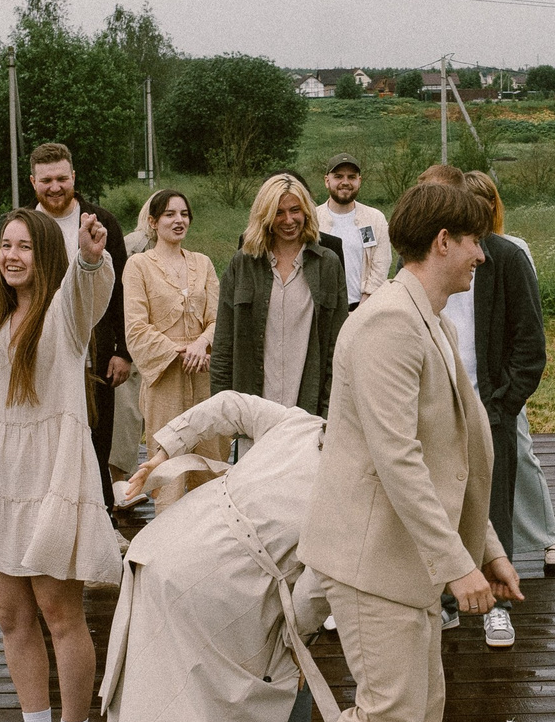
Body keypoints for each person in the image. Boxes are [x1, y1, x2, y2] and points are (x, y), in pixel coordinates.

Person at [231, 181, 522, 722]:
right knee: (391, 711)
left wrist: (484, 547)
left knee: (421, 712)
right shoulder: (388, 323)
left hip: (407, 556)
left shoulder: (432, 323)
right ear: (442, 242)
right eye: (473, 241)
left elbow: (448, 453)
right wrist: (454, 565)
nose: (482, 256)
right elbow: (398, 460)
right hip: (369, 557)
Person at [99, 391, 330, 722]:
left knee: (209, 688)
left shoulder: (300, 424)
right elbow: (318, 588)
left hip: (167, 550)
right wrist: (296, 638)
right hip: (226, 587)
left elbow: (226, 403)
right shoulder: (352, 487)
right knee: (286, 683)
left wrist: (164, 447)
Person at [0, 207, 121, 722]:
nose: (12, 256)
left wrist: (91, 254)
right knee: (9, 614)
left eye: (24, 246)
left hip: (49, 480)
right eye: (4, 246)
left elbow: (88, 286)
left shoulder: (64, 317)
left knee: (59, 612)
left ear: (45, 253)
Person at [451, 169, 546, 649]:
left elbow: (531, 344)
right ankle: (447, 601)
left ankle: (499, 605)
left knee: (495, 507)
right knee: (442, 505)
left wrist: (504, 403)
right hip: (438, 408)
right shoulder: (434, 257)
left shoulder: (506, 258)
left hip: (490, 407)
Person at [26, 142, 132, 502]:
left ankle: (103, 519)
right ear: (33, 182)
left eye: (61, 178)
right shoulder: (23, 225)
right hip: (41, 349)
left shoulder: (101, 222)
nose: (54, 187)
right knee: (46, 441)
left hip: (96, 349)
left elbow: (122, 290)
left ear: (74, 177)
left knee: (97, 439)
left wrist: (124, 350)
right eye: (46, 180)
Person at [209, 172, 348, 421]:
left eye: (295, 210)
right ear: (264, 216)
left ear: (306, 211)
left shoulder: (328, 264)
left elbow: (337, 350)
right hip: (253, 412)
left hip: (308, 414)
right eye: (278, 212)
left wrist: (330, 415)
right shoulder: (242, 264)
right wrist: (223, 409)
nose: (289, 220)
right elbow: (223, 345)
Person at [120, 189, 219, 511]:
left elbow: (218, 318)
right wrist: (179, 351)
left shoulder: (203, 264)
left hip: (203, 376)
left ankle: (214, 544)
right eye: (170, 215)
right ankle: (165, 545)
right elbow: (135, 326)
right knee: (168, 463)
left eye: (184, 214)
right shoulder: (138, 266)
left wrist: (202, 344)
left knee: (210, 459)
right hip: (164, 381)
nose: (179, 221)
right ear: (153, 221)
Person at [315, 152, 391, 308]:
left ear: (359, 181)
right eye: (338, 176)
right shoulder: (312, 219)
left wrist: (365, 303)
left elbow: (381, 264)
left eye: (351, 177)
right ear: (327, 181)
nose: (345, 182)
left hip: (363, 308)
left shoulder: (375, 219)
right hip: (322, 309)